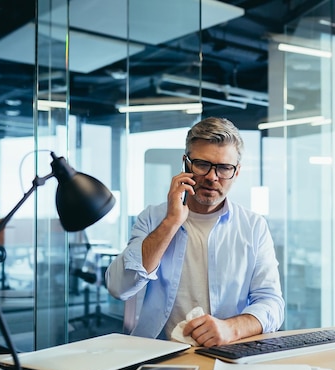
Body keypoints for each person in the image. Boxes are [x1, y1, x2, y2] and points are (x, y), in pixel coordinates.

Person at [106, 117, 284, 347]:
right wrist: (171, 222)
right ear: (186, 164)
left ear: (236, 172)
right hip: (154, 354)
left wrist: (231, 328)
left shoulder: (253, 227)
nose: (212, 176)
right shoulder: (153, 218)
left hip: (225, 354)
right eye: (202, 164)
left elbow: (272, 303)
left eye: (224, 168)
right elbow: (118, 287)